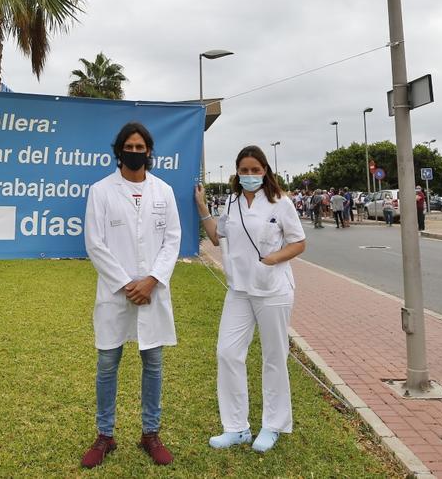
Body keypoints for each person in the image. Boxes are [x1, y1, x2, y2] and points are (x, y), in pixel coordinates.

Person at [194, 145, 306, 454]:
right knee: (227, 353)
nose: (250, 175)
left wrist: (272, 260)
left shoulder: (280, 203)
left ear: (265, 171)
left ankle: (273, 425)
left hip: (273, 289)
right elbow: (218, 237)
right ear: (237, 172)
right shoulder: (231, 202)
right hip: (239, 290)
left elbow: (299, 243)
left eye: (255, 170)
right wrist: (202, 207)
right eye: (244, 170)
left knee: (274, 357)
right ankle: (236, 428)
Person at [81, 122, 181, 468]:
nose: (135, 152)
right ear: (119, 149)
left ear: (149, 152)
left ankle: (150, 433)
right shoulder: (101, 190)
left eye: (141, 147)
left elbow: (172, 239)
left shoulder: (163, 191)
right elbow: (95, 243)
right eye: (129, 146)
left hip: (152, 292)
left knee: (152, 362)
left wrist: (151, 280)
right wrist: (127, 284)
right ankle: (105, 436)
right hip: (116, 293)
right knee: (108, 363)